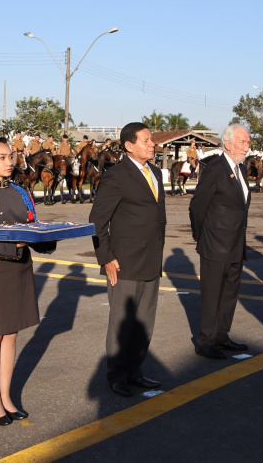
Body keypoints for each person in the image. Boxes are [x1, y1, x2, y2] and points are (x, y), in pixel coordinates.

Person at [0, 136, 55, 425]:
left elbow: (33, 226)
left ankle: (6, 396)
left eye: (11, 156)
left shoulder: (21, 191)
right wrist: (21, 243)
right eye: (2, 157)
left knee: (12, 334)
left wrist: (47, 238)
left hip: (20, 267)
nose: (9, 162)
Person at [89, 122, 166, 397]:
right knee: (122, 322)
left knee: (145, 321)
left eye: (152, 140)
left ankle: (136, 371)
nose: (152, 144)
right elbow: (98, 220)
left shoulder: (154, 172)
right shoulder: (117, 175)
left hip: (151, 260)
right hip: (124, 262)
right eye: (146, 140)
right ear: (129, 145)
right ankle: (117, 375)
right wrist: (106, 258)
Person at [188, 124, 252, 359]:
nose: (247, 147)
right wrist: (200, 235)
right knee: (212, 294)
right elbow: (197, 206)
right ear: (228, 144)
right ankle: (206, 340)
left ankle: (221, 336)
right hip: (215, 243)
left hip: (236, 243)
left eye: (247, 142)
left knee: (229, 294)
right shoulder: (215, 169)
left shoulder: (241, 169)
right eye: (243, 142)